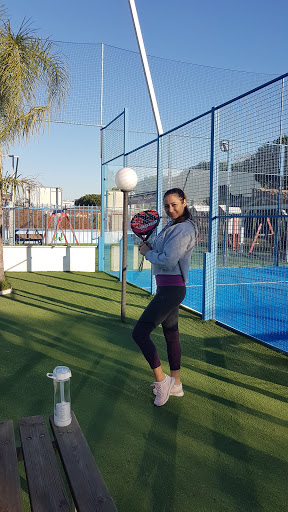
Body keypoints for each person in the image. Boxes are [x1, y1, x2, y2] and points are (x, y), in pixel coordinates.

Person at [132, 188, 198, 406]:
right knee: (171, 335)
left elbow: (169, 261)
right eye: (167, 206)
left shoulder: (183, 229)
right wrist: (150, 249)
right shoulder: (174, 226)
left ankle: (162, 381)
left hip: (171, 289)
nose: (170, 209)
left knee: (140, 333)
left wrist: (147, 253)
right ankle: (176, 385)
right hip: (168, 288)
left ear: (184, 202)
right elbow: (166, 254)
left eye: (175, 205)